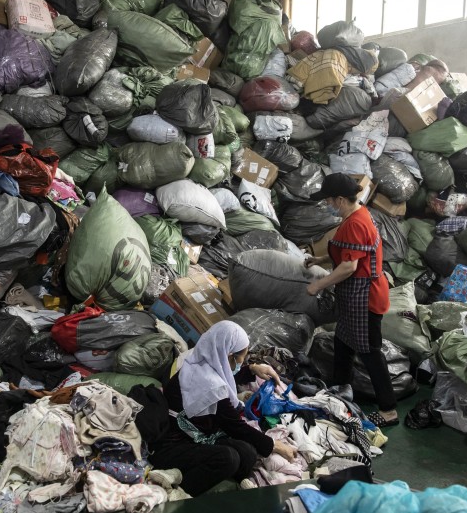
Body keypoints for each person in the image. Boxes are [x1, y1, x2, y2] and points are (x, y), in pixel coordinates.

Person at [141, 322, 297, 496]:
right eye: (241, 359)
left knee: (248, 452)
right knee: (228, 458)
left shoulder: (199, 359)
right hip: (170, 447)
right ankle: (180, 492)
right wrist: (276, 445)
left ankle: (235, 483)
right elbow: (236, 427)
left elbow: (226, 374)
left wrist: (252, 369)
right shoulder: (211, 386)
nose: (242, 362)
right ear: (228, 355)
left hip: (195, 436)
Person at [304, 173, 398, 427]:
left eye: (329, 201)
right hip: (354, 298)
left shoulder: (355, 223)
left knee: (370, 352)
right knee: (343, 344)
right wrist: (321, 260)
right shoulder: (356, 216)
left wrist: (319, 285)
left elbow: (349, 266)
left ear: (341, 199)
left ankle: (388, 410)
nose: (328, 206)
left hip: (365, 298)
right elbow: (351, 251)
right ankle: (338, 394)